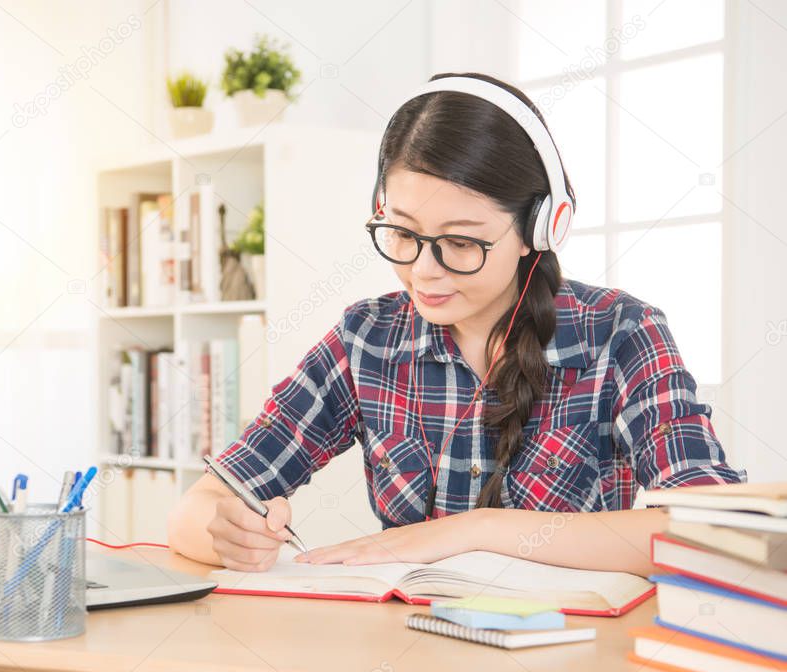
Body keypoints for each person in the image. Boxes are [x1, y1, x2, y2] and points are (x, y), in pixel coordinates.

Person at [167, 72, 744, 577]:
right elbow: (198, 508)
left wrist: (472, 531)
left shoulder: (621, 332)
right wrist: (226, 532)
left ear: (540, 229)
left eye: (462, 241)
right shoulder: (366, 338)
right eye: (402, 233)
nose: (424, 270)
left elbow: (708, 532)